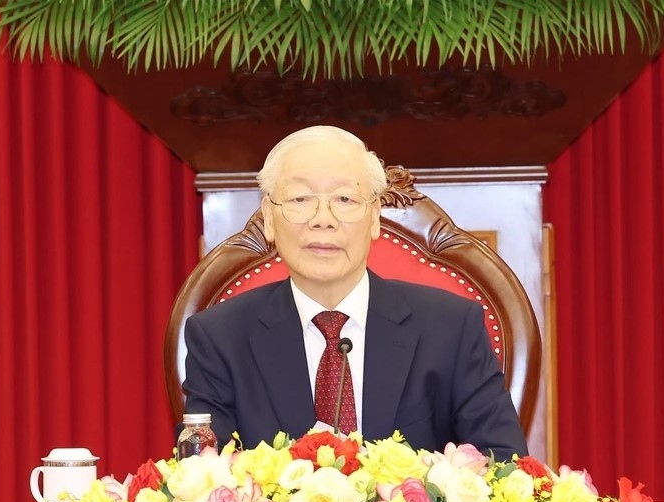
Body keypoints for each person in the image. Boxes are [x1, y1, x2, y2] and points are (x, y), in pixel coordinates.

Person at [182, 125, 528, 460]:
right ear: (270, 218)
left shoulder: (451, 328)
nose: (323, 219)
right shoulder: (220, 338)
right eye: (301, 199)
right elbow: (205, 478)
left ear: (374, 216)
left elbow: (502, 461)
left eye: (344, 199)